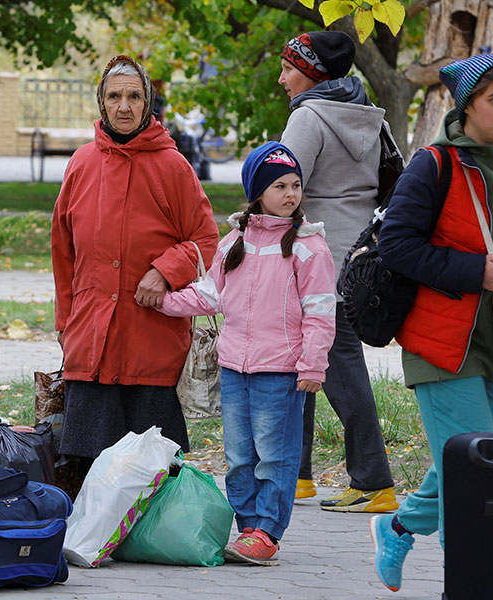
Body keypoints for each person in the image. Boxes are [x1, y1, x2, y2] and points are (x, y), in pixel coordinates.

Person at [369, 54, 493, 591]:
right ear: (465, 106)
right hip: (442, 339)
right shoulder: (433, 164)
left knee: (475, 457)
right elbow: (395, 246)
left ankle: (398, 525)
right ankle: (463, 583)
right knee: (477, 474)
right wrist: (472, 270)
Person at [156, 142, 336, 566]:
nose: (290, 194)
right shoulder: (234, 241)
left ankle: (268, 531)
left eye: (295, 185)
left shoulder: (309, 248)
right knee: (239, 455)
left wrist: (313, 364)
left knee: (275, 454)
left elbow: (321, 312)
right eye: (279, 186)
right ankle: (247, 528)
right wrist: (161, 301)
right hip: (235, 367)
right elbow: (209, 295)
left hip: (282, 371)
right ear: (258, 192)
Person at [51, 54, 219, 486]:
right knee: (89, 462)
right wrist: (65, 322)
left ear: (148, 104)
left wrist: (165, 270)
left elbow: (206, 240)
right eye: (114, 96)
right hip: (91, 335)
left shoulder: (173, 165)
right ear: (101, 103)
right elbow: (63, 251)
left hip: (150, 336)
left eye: (134, 96)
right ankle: (94, 540)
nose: (123, 106)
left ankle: (148, 541)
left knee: (154, 465)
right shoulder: (82, 162)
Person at [277, 30, 397, 512]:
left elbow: (281, 187)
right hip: (360, 255)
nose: (282, 78)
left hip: (317, 257)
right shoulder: (368, 114)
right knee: (300, 357)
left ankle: (374, 480)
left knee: (337, 366)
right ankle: (298, 473)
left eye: (289, 68)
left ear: (312, 73)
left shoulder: (308, 117)